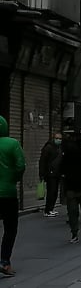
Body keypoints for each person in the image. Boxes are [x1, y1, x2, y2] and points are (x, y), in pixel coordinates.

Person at [0, 116, 25, 276]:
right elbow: (20, 165)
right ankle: (4, 261)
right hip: (8, 193)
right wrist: (13, 179)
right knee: (10, 228)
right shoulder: (12, 143)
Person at [38, 132, 63, 217]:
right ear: (53, 138)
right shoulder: (48, 148)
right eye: (57, 138)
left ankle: (51, 209)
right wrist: (42, 173)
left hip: (57, 173)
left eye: (60, 139)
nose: (59, 140)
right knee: (51, 192)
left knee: (55, 192)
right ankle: (48, 210)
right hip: (50, 173)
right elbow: (42, 161)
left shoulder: (59, 148)